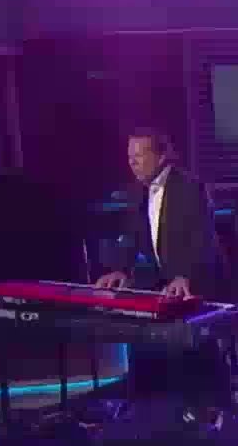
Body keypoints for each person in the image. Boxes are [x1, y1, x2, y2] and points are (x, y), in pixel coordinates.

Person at [94, 128, 230, 407]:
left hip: (200, 279)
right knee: (136, 314)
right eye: (129, 156)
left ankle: (208, 400)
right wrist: (120, 269)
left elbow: (203, 239)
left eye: (139, 155)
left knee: (191, 342)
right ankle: (148, 399)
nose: (132, 162)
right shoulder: (138, 191)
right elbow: (132, 236)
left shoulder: (189, 187)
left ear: (161, 156)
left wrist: (185, 275)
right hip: (164, 283)